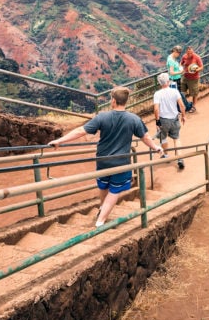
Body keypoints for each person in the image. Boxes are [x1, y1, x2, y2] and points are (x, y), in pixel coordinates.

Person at [48, 86, 163, 227]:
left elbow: (80, 131)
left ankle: (102, 209)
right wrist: (156, 147)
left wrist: (59, 141)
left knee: (104, 186)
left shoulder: (102, 117)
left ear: (113, 101)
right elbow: (145, 137)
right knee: (114, 190)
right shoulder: (134, 119)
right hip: (121, 163)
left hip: (102, 161)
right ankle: (100, 221)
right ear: (125, 101)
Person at [153, 73, 186, 170]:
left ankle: (166, 155)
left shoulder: (157, 94)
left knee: (163, 138)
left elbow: (156, 109)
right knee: (176, 138)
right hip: (174, 118)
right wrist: (183, 116)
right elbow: (182, 105)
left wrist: (157, 121)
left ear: (160, 83)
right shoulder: (175, 91)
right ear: (168, 81)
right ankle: (180, 159)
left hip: (163, 120)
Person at [179, 45, 203, 111]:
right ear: (186, 52)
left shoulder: (197, 57)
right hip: (185, 77)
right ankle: (184, 105)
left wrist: (196, 70)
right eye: (188, 53)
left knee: (194, 93)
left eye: (191, 53)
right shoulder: (184, 56)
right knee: (182, 92)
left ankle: (193, 106)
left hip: (193, 78)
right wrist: (180, 68)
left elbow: (201, 67)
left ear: (193, 51)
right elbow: (181, 63)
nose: (190, 54)